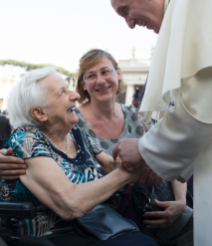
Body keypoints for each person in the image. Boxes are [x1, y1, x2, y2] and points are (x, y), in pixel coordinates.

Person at [0, 50, 189, 239]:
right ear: (40, 113)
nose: (74, 95)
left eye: (106, 72)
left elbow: (111, 165)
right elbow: (71, 203)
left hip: (100, 224)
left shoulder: (76, 134)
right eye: (63, 92)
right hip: (62, 235)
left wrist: (146, 163)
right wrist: (133, 171)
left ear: (118, 74)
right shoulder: (26, 139)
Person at [109, 0, 212, 245]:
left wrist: (145, 149)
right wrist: (158, 159)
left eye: (125, 11)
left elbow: (205, 101)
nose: (129, 24)